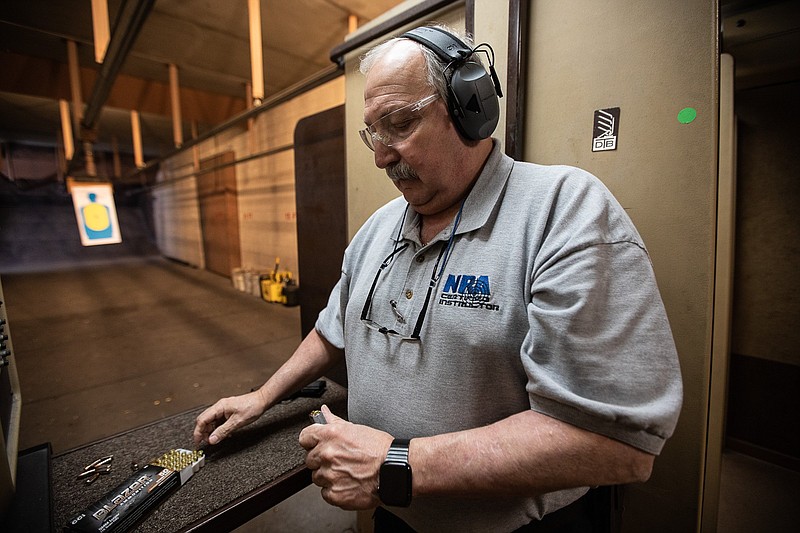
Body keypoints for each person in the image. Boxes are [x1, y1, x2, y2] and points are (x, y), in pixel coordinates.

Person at [193, 25, 683, 532]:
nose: (382, 154)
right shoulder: (376, 229)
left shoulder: (565, 212)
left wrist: (396, 465)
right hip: (396, 515)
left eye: (400, 123)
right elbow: (332, 328)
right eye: (374, 133)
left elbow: (617, 444)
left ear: (471, 107)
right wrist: (262, 396)